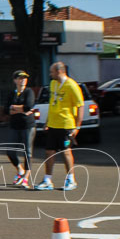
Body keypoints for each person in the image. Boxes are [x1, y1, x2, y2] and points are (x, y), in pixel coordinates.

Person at [35, 62, 84, 191]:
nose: (50, 75)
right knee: (49, 152)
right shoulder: (53, 84)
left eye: (52, 72)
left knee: (66, 152)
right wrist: (47, 121)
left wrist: (77, 127)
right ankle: (47, 180)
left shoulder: (72, 86)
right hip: (53, 124)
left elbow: (80, 106)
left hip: (66, 124)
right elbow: (52, 104)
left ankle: (71, 180)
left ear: (59, 71)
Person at [3, 70, 35, 189]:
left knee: (27, 151)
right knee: (10, 151)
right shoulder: (12, 93)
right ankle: (20, 170)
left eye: (25, 78)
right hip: (14, 126)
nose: (23, 80)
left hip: (28, 126)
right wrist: (19, 109)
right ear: (15, 80)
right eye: (20, 78)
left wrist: (13, 107)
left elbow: (28, 106)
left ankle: (26, 177)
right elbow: (6, 110)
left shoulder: (29, 92)